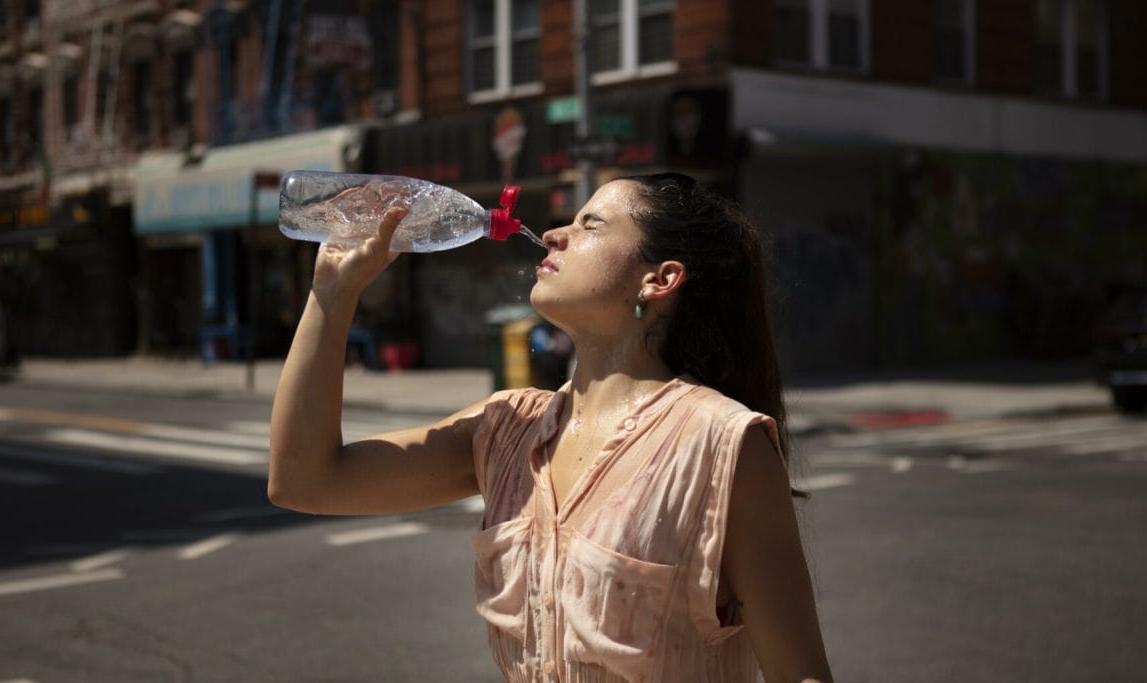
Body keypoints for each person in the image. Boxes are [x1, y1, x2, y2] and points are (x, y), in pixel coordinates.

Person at [268, 173, 832, 682]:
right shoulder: (504, 429)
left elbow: (798, 673)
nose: (557, 233)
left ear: (659, 280)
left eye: (591, 223)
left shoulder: (722, 443)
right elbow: (303, 480)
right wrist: (333, 294)